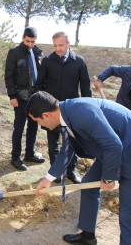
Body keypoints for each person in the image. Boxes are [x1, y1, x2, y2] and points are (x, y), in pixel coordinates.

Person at [26, 91, 131, 245]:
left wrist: (108, 177)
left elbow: (113, 145)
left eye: (38, 122)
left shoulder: (81, 112)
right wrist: (48, 179)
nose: (40, 126)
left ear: (46, 115)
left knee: (129, 212)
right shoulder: (64, 114)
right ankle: (88, 235)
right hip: (111, 150)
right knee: (88, 184)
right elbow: (68, 148)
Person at [35, 32, 92, 184]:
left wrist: (88, 108)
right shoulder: (47, 61)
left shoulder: (79, 62)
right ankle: (56, 173)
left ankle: (70, 172)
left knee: (72, 142)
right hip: (50, 111)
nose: (58, 49)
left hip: (71, 111)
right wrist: (41, 107)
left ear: (68, 44)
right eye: (55, 45)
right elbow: (39, 86)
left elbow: (85, 87)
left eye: (61, 45)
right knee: (52, 142)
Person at [4, 27, 45, 171]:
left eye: (33, 41)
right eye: (28, 41)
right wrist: (12, 96)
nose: (30, 44)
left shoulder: (38, 52)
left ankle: (29, 154)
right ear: (23, 38)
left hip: (35, 97)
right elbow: (9, 76)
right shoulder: (14, 53)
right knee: (19, 127)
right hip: (20, 98)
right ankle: (15, 157)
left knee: (33, 126)